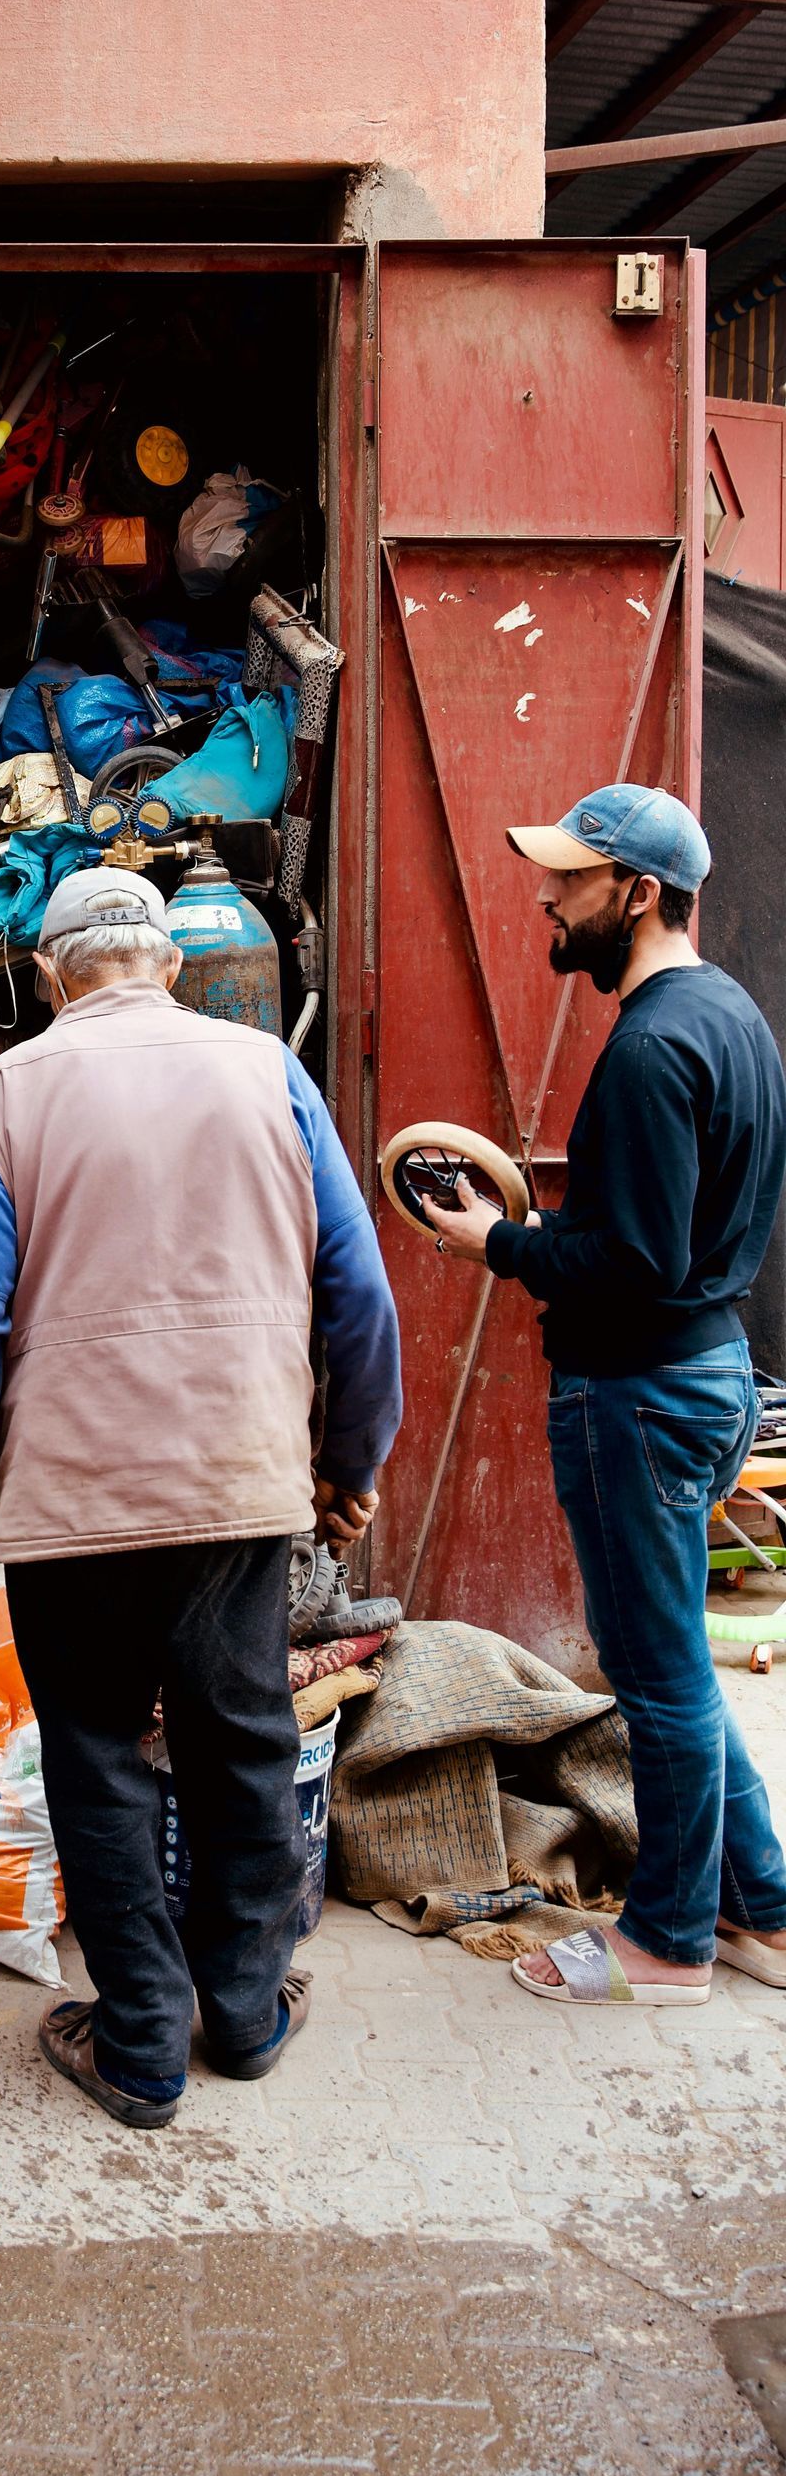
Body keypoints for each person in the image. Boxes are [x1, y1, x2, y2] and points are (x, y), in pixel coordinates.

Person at [0, 866, 402, 2127]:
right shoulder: (266, 1072)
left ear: (49, 974)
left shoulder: (11, 1090)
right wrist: (348, 1462)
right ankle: (240, 2015)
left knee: (95, 1754)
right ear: (168, 964)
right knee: (243, 1743)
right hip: (240, 1481)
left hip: (74, 1499)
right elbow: (360, 1296)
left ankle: (137, 2046)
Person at [425, 783, 786, 2008]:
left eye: (569, 878)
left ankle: (670, 1939)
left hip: (639, 1391)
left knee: (661, 1679)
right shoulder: (731, 1014)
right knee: (680, 1661)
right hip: (705, 1366)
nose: (545, 896)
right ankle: (766, 1910)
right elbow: (669, 1240)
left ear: (637, 891)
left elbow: (634, 1263)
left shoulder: (647, 1046)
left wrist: (500, 1244)